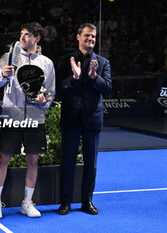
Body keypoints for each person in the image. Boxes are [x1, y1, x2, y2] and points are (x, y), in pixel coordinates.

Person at [0, 22, 55, 219]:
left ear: (37, 38)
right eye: (21, 34)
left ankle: (27, 203)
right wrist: (3, 74)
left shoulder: (46, 63)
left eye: (27, 35)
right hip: (12, 116)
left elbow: (50, 93)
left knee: (33, 160)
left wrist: (44, 102)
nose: (23, 38)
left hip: (36, 118)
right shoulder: (8, 58)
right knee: (4, 159)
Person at [56, 23, 112, 215]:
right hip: (71, 118)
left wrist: (95, 77)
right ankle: (65, 202)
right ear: (78, 37)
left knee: (91, 164)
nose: (91, 39)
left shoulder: (103, 63)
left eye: (94, 37)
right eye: (87, 36)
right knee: (68, 162)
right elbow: (58, 90)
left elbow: (108, 89)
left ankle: (87, 201)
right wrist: (73, 78)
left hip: (92, 120)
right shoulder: (66, 60)